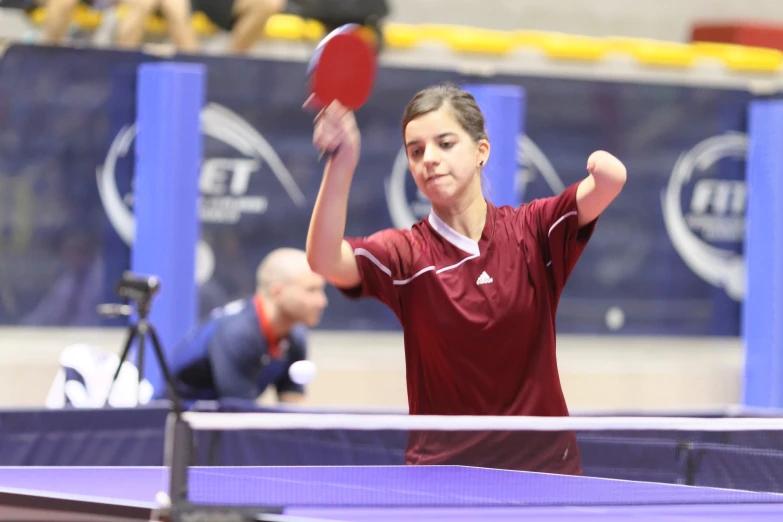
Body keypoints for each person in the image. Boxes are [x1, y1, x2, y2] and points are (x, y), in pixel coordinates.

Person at [304, 84, 626, 474]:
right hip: (443, 478)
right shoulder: (407, 255)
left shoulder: (533, 231)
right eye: (416, 151)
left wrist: (604, 166)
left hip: (543, 476)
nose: (430, 160)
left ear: (481, 152)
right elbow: (323, 260)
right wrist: (342, 162)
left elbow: (609, 183)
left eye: (445, 143)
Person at [156, 247, 328, 404]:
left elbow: (292, 403)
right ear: (278, 292)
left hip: (221, 426)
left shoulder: (294, 336)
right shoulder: (238, 334)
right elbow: (240, 417)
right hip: (174, 424)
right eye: (311, 290)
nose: (322, 302)